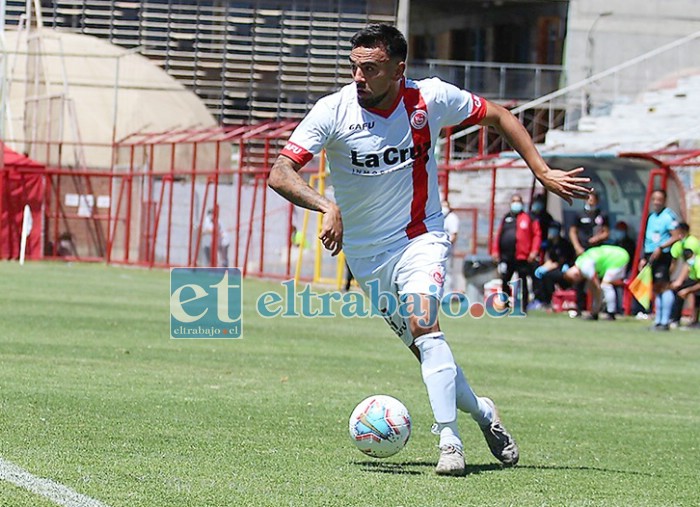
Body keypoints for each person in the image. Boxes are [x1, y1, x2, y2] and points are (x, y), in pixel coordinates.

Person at [268, 23, 590, 476]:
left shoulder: (430, 98)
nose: (359, 78)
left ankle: (449, 441)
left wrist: (540, 169)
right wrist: (326, 205)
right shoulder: (333, 111)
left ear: (399, 69)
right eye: (354, 67)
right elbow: (280, 173)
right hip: (365, 256)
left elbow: (498, 115)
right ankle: (482, 412)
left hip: (421, 237)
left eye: (371, 69)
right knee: (427, 350)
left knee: (425, 324)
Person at [639, 189, 680, 331]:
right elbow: (649, 239)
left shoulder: (668, 216)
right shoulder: (651, 217)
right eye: (654, 199)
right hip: (651, 255)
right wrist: (643, 258)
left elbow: (676, 236)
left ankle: (665, 321)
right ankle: (658, 320)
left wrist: (661, 247)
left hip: (663, 255)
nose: (656, 202)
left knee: (664, 286)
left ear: (664, 200)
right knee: (656, 288)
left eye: (659, 199)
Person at [493, 194, 541, 310]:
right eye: (514, 201)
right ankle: (506, 304)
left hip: (522, 256)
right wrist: (495, 251)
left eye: (518, 201)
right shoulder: (507, 218)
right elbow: (499, 235)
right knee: (505, 280)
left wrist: (534, 251)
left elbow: (537, 235)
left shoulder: (528, 218)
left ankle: (523, 307)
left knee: (522, 281)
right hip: (507, 255)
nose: (516, 204)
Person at [558, 245, 630, 321]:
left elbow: (597, 287)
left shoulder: (585, 268)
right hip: (618, 254)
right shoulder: (579, 261)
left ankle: (611, 313)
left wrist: (598, 304)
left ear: (576, 276)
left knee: (606, 285)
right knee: (598, 287)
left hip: (618, 258)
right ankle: (596, 312)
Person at [568, 190, 609, 316]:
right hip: (582, 250)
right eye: (588, 198)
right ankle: (579, 307)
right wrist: (577, 247)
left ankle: (597, 307)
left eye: (593, 198)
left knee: (596, 280)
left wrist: (598, 238)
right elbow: (572, 231)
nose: (590, 201)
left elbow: (606, 232)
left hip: (597, 252)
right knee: (579, 280)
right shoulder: (579, 214)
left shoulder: (602, 214)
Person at [532, 221, 576, 309]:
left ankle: (550, 299)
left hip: (565, 268)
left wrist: (547, 268)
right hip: (554, 267)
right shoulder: (549, 243)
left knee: (548, 276)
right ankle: (541, 299)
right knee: (540, 274)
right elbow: (550, 259)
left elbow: (560, 261)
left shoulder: (564, 244)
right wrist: (543, 267)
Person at [669, 223, 700, 327]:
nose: (672, 232)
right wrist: (670, 278)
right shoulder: (678, 244)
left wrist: (681, 283)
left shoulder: (692, 243)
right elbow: (674, 262)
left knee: (693, 293)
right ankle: (674, 319)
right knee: (679, 290)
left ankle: (694, 319)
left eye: (675, 230)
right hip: (693, 275)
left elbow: (687, 264)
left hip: (697, 274)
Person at [442, 200, 460, 296]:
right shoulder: (439, 217)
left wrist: (447, 245)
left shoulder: (452, 218)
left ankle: (447, 294)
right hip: (437, 249)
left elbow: (454, 234)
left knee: (447, 271)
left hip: (447, 249)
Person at [530, 192, 554, 261]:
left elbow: (551, 230)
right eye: (536, 202)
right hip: (531, 244)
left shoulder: (547, 217)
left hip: (543, 244)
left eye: (540, 202)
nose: (538, 204)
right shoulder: (529, 216)